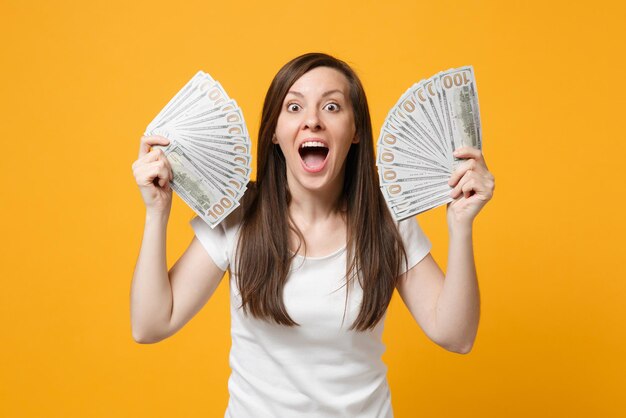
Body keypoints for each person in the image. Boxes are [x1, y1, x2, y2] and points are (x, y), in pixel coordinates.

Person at [130, 52, 495, 418]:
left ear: (355, 132)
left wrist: (461, 226)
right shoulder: (240, 214)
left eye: (332, 107)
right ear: (274, 132)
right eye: (294, 107)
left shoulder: (385, 218)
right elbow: (151, 324)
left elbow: (456, 336)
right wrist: (157, 212)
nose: (312, 121)